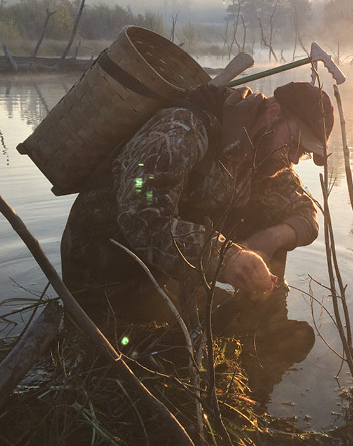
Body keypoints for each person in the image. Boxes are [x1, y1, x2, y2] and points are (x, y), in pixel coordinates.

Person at [61, 81, 335, 327]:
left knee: (270, 335)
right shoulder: (181, 131)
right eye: (296, 143)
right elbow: (143, 219)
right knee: (175, 350)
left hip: (167, 272)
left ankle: (253, 316)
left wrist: (271, 237)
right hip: (107, 272)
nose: (296, 158)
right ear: (274, 114)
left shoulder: (265, 153)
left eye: (305, 152)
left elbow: (305, 212)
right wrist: (227, 258)